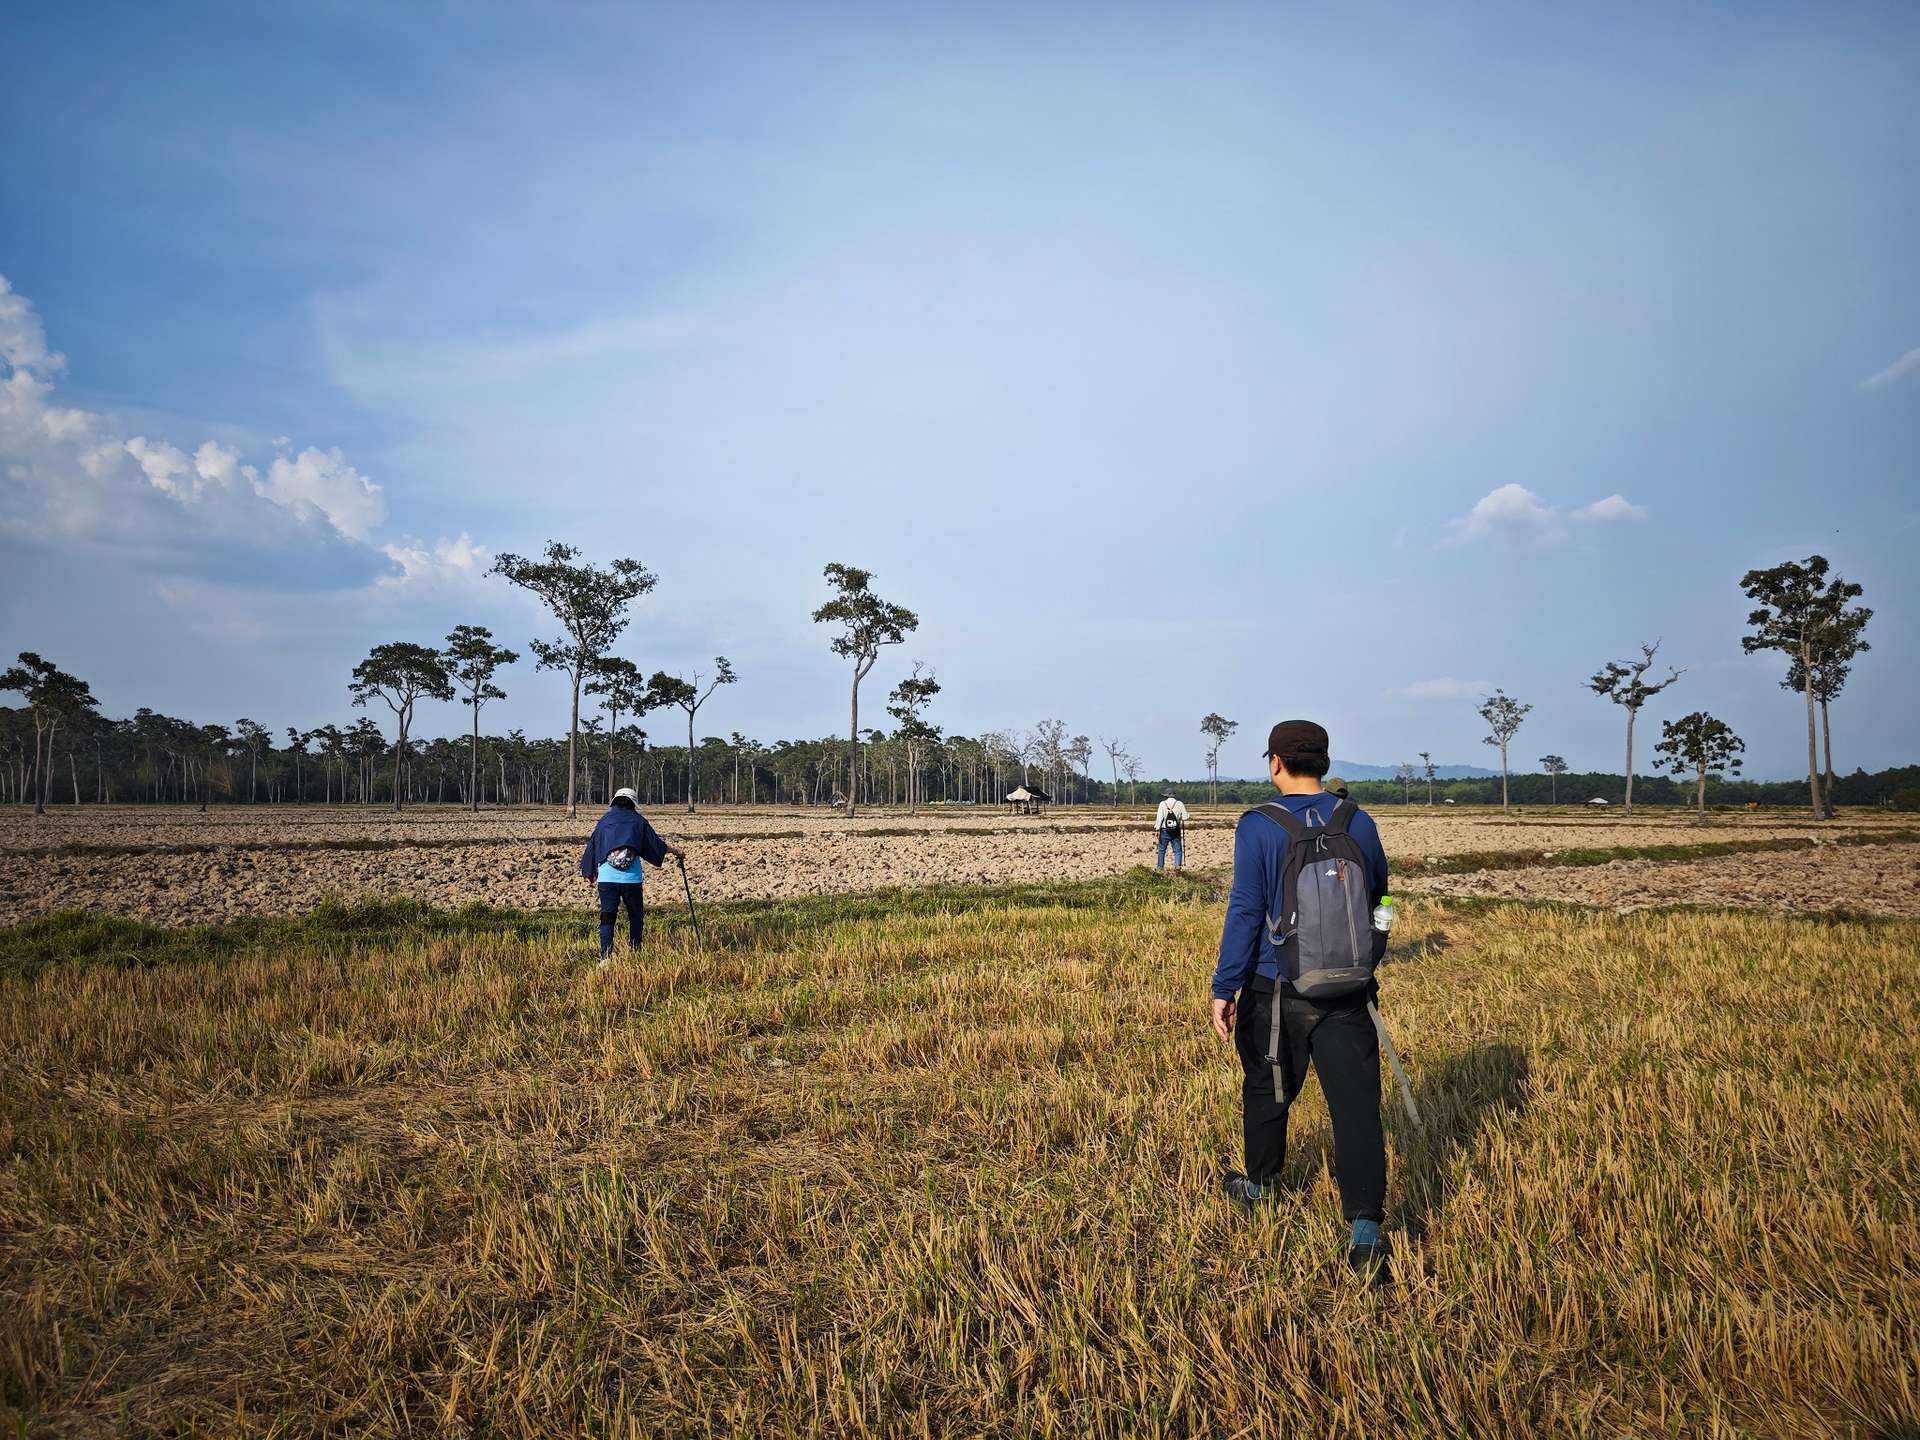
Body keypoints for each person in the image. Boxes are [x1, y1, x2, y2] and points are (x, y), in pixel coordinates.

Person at [1209, 719, 1392, 1279]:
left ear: (1275, 764)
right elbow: (1382, 897)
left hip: (1277, 987)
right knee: (1357, 1107)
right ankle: (1365, 1233)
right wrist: (1369, 959)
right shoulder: (1357, 821)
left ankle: (1262, 1187)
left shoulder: (1259, 826)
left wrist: (1224, 987)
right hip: (1350, 991)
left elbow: (1245, 909)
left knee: (1268, 1090)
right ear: (1326, 763)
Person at [579, 787, 685, 966]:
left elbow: (592, 847)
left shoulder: (604, 822)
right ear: (633, 803)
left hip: (607, 879)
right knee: (635, 916)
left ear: (615, 801)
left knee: (607, 917)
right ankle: (635, 954)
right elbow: (656, 844)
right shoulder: (638, 821)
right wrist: (676, 851)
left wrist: (590, 871)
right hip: (631, 880)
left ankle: (605, 959)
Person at [1154, 789, 1188, 871]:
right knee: (1177, 850)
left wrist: (1157, 828)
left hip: (1164, 830)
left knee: (1162, 850)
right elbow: (1185, 817)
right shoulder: (1180, 804)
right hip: (1175, 830)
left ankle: (1160, 868)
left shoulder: (1162, 804)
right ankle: (1177, 868)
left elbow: (1159, 818)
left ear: (1166, 795)